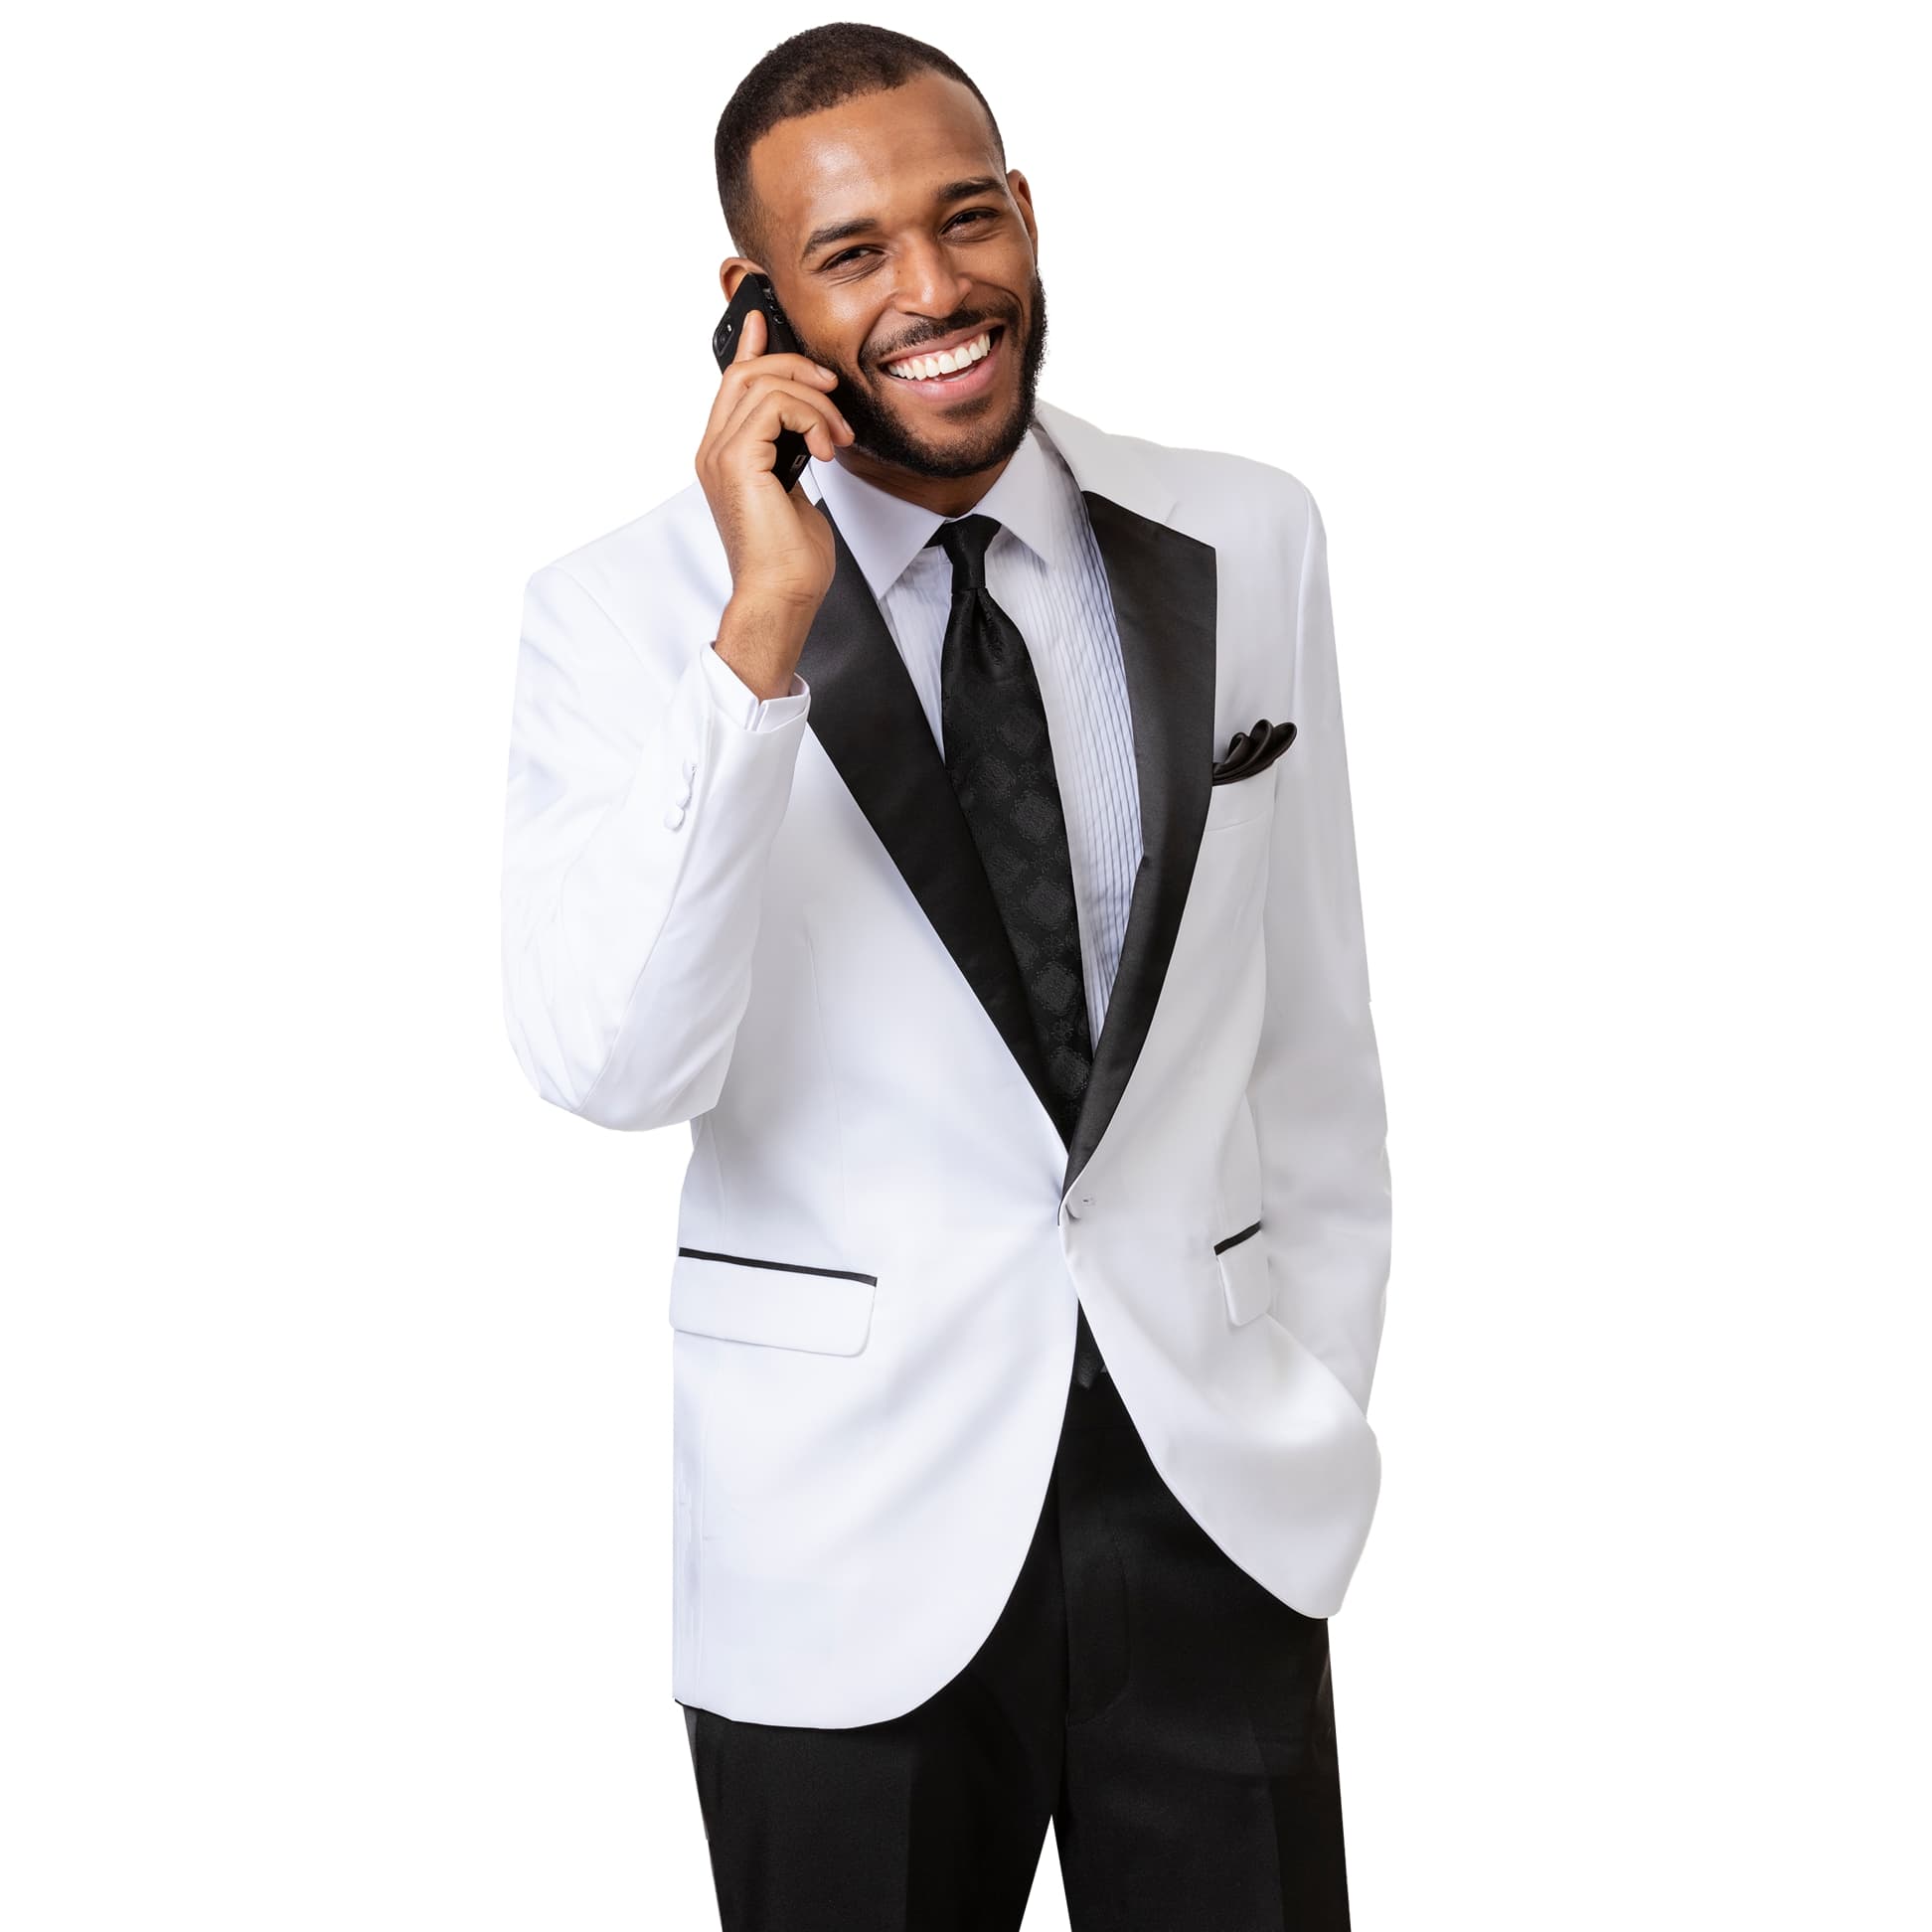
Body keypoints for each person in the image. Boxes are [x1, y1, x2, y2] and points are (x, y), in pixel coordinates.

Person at [499, 22, 1391, 1929]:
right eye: (852, 254)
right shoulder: (624, 614)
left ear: (1028, 218)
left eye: (965, 218)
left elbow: (1317, 1039)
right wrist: (760, 632)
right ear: (756, 311)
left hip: (1210, 1500)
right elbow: (608, 1062)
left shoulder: (1247, 534)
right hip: (840, 1546)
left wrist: (1307, 1393)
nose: (933, 289)